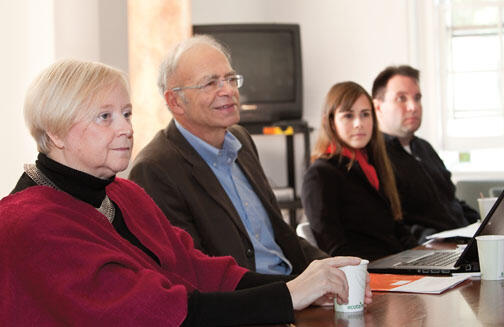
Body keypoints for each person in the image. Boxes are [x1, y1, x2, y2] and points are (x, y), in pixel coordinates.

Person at [0, 59, 372, 326]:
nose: (126, 129)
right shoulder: (26, 223)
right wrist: (290, 296)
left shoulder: (125, 195)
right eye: (105, 117)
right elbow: (151, 312)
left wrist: (309, 284)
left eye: (127, 114)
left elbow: (200, 270)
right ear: (55, 133)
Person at [129, 35, 327, 275]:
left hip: (293, 288)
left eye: (231, 79)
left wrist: (334, 267)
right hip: (249, 303)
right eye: (211, 83)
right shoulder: (155, 169)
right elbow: (196, 274)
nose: (229, 91)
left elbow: (281, 234)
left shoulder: (240, 139)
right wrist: (292, 292)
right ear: (175, 101)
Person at [301, 81, 417, 261]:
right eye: (348, 116)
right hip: (367, 275)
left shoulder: (374, 164)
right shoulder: (320, 175)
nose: (359, 124)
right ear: (330, 122)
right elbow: (334, 250)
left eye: (365, 114)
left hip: (396, 265)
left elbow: (397, 230)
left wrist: (420, 256)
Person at [372, 65, 479, 243]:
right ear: (378, 107)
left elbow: (451, 201)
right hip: (429, 250)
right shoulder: (375, 156)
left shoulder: (424, 148)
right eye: (401, 98)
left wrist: (481, 224)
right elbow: (393, 225)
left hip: (463, 243)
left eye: (417, 98)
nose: (413, 107)